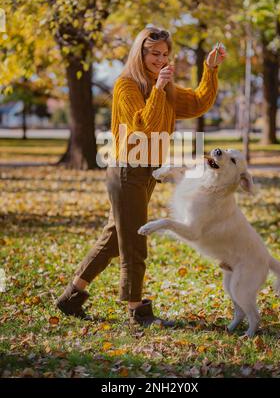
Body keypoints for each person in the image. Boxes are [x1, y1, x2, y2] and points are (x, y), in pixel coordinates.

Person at [56, 26, 226, 326]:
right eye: (154, 54)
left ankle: (71, 297)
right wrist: (159, 89)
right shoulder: (126, 86)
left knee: (113, 239)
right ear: (141, 52)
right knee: (134, 240)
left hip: (148, 172)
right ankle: (137, 309)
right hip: (126, 171)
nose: (160, 60)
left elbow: (199, 102)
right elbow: (143, 126)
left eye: (164, 55)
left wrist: (210, 70)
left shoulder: (164, 86)